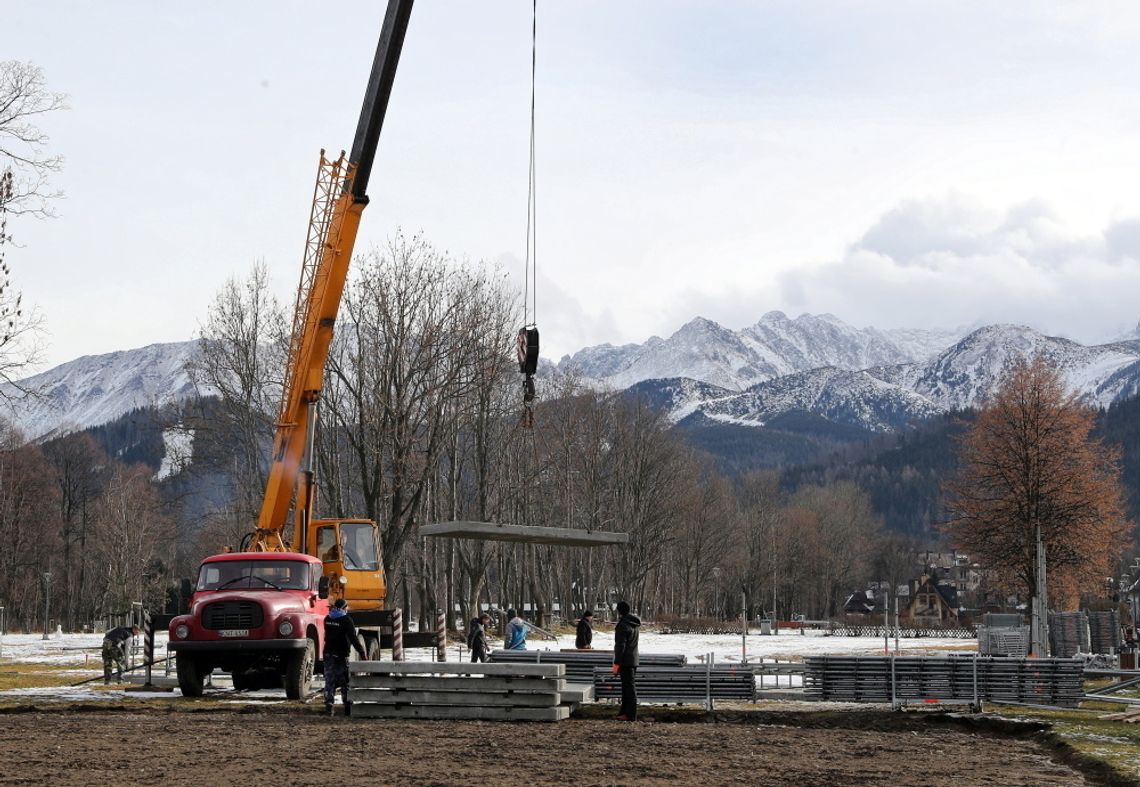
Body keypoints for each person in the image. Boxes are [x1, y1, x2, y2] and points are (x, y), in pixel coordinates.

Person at [323, 598, 366, 717]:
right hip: (341, 655)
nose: (347, 609)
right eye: (346, 607)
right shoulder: (346, 620)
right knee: (345, 681)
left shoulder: (327, 619)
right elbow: (353, 638)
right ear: (343, 608)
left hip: (328, 654)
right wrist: (362, 653)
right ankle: (347, 707)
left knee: (329, 681)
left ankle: (329, 706)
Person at [612, 600, 640, 721]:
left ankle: (630, 714)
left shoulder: (623, 626)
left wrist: (616, 664)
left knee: (628, 689)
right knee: (627, 688)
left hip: (625, 661)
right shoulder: (634, 624)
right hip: (633, 659)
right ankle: (624, 712)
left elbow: (620, 647)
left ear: (619, 612)